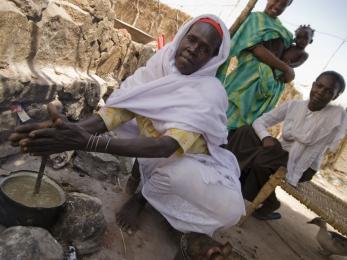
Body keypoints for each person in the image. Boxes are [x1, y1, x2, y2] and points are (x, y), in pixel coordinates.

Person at [10, 15, 245, 259]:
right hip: (152, 154)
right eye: (192, 39)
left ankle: (145, 201)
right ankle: (154, 197)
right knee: (153, 161)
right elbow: (119, 111)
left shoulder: (209, 93)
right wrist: (69, 131)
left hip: (193, 165)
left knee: (220, 204)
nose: (193, 49)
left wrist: (85, 141)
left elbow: (165, 146)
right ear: (183, 36)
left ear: (214, 57)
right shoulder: (160, 65)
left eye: (204, 48)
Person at [226, 71, 347, 220]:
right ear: (314, 85)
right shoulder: (294, 105)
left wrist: (293, 174)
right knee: (245, 132)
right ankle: (226, 172)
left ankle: (264, 199)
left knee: (262, 160)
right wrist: (265, 137)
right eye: (319, 86)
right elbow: (260, 122)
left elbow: (309, 154)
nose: (321, 92)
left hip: (303, 164)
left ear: (335, 96)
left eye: (329, 91)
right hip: (277, 152)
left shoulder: (332, 120)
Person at [217, 0, 294, 133]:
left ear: (288, 6)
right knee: (222, 120)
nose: (277, 6)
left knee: (238, 134)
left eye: (283, 4)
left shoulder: (285, 33)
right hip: (242, 83)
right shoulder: (254, 19)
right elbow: (256, 48)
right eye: (275, 0)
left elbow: (288, 59)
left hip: (265, 93)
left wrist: (286, 71)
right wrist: (286, 69)